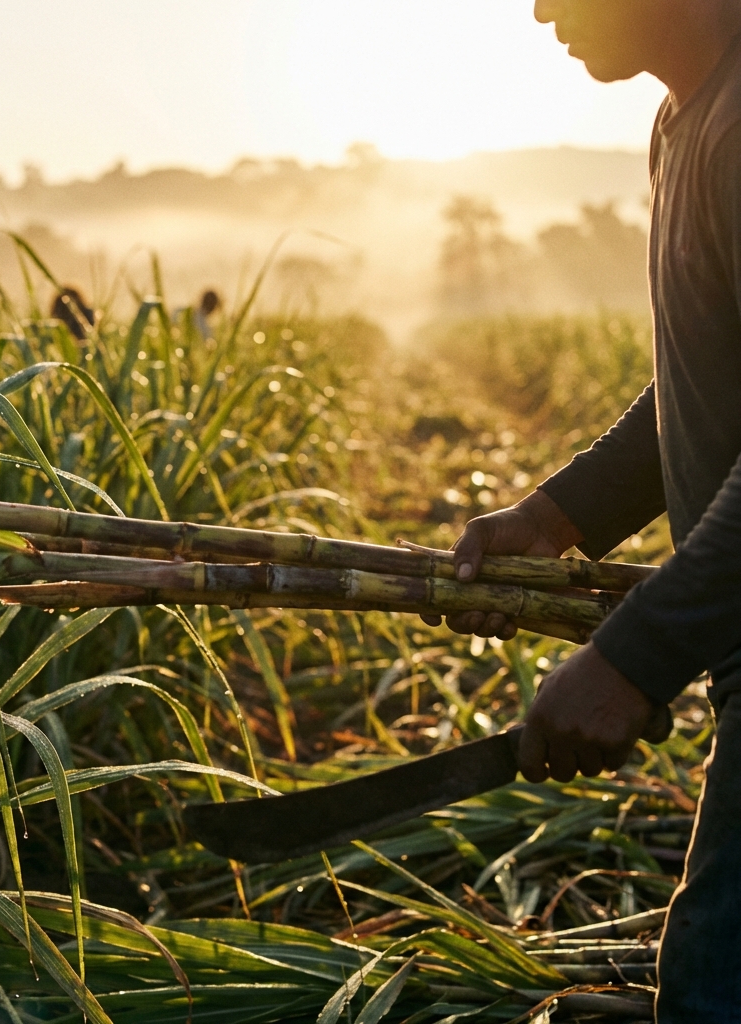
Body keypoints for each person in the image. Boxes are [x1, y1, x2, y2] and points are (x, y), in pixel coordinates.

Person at [422, 2, 741, 1018]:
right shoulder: (684, 123)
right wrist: (555, 513)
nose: (542, 6)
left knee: (713, 976)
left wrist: (632, 657)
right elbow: (702, 385)